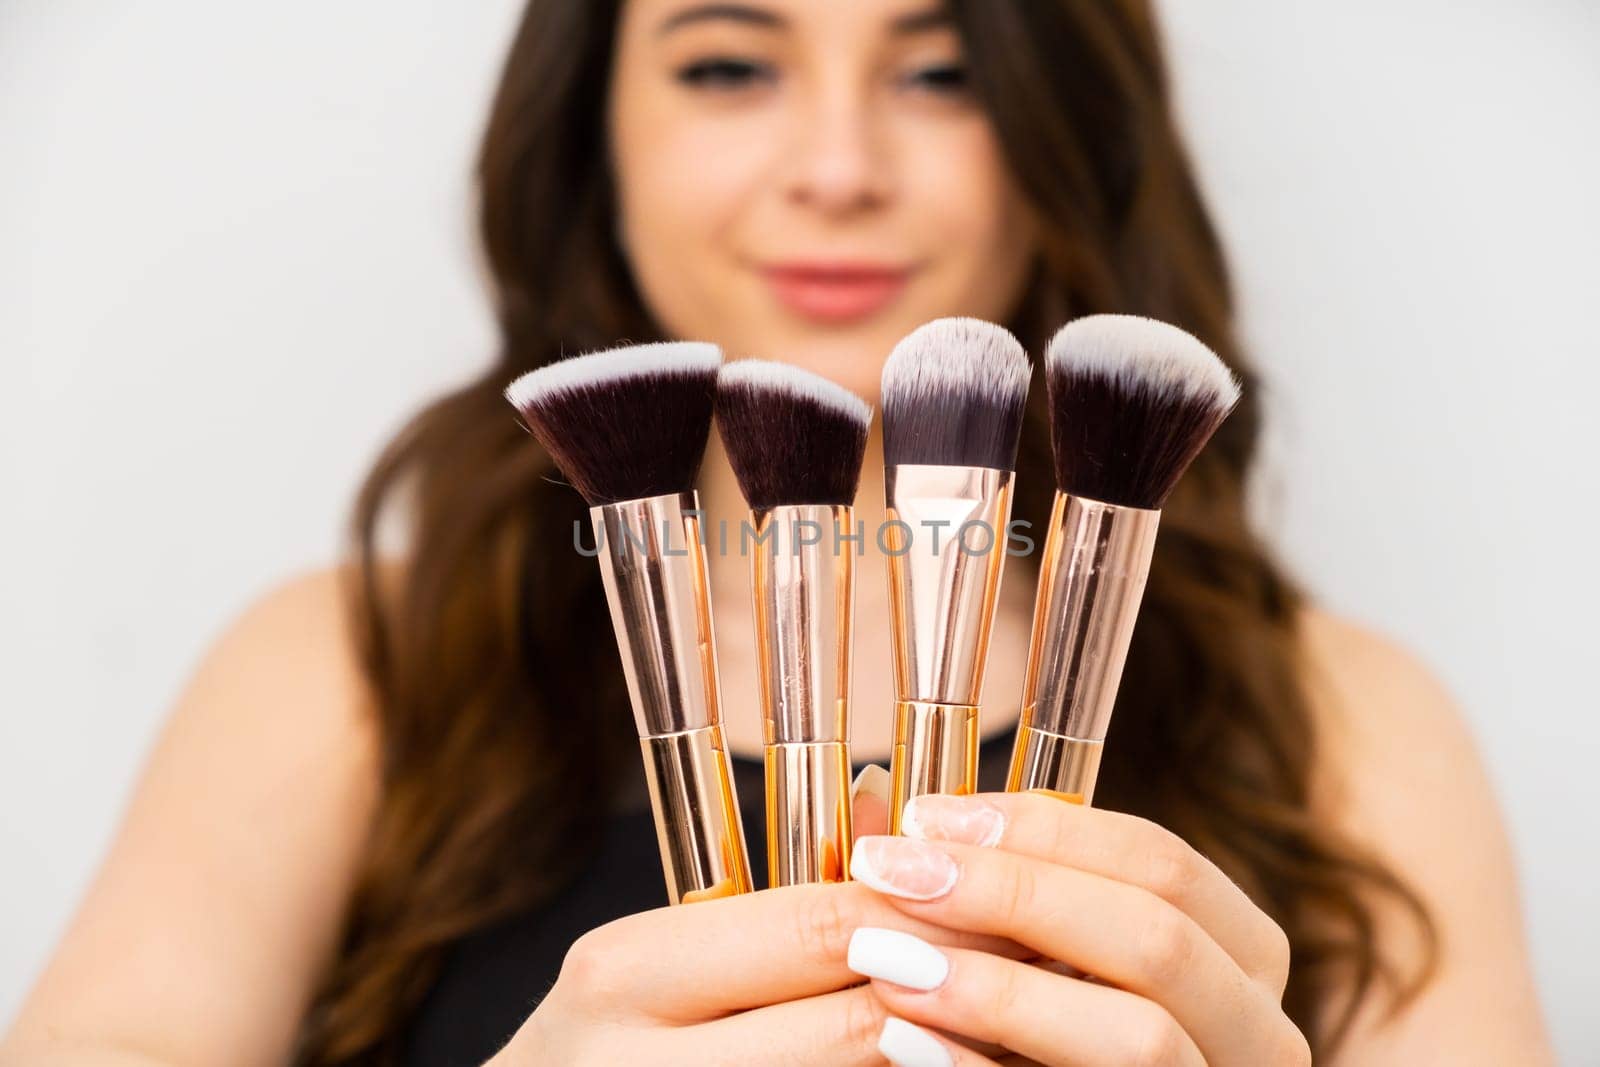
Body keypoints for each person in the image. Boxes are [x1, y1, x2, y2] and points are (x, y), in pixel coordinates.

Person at [2, 1, 1552, 1064]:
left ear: (1065, 125)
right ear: (588, 133)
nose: (837, 169)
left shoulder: (1344, 718)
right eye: (729, 64)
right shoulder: (348, 669)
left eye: (941, 73)